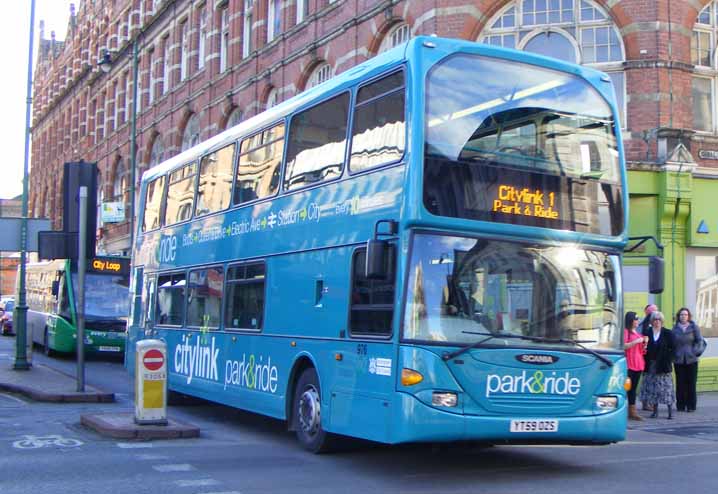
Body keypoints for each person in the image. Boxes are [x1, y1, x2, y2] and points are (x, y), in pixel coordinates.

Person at [640, 311, 676, 419]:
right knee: (653, 389)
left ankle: (670, 412)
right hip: (651, 364)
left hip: (663, 365)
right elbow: (643, 347)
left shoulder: (667, 333)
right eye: (655, 319)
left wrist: (669, 359)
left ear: (662, 321)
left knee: (666, 388)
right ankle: (655, 411)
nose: (657, 322)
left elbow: (673, 348)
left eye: (659, 320)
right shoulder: (648, 332)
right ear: (652, 321)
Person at [672, 307, 703, 412]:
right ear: (678, 316)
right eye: (681, 315)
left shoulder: (694, 327)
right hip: (679, 360)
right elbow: (672, 344)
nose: (683, 316)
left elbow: (700, 341)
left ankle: (691, 406)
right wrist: (673, 354)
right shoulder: (675, 328)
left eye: (685, 314)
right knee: (680, 383)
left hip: (692, 360)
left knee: (691, 383)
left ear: (688, 316)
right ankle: (680, 405)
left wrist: (695, 352)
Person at [624, 311, 647, 421]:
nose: (637, 321)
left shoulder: (637, 333)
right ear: (631, 321)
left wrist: (644, 343)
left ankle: (632, 411)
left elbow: (642, 351)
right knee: (626, 388)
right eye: (636, 319)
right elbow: (623, 346)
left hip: (638, 364)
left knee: (633, 389)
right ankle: (622, 410)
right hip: (629, 365)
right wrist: (637, 341)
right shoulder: (626, 332)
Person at [639, 303, 658, 411]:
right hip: (646, 356)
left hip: (652, 357)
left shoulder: (656, 326)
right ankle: (647, 403)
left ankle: (647, 402)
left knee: (650, 380)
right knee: (648, 380)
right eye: (653, 312)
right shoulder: (643, 326)